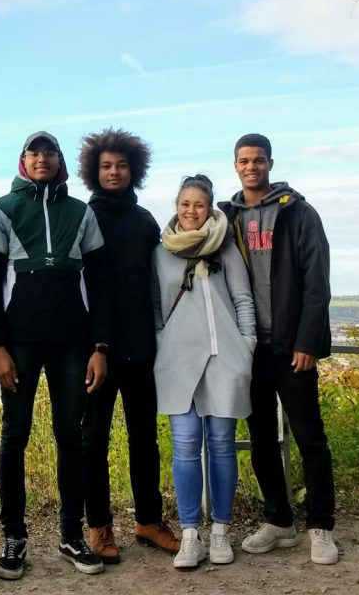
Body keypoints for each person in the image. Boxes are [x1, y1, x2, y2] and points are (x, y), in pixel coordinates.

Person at [0, 131, 110, 580]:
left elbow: (100, 285)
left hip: (73, 344)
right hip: (19, 344)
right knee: (14, 436)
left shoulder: (82, 212)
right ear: (22, 160)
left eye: (49, 152)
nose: (42, 158)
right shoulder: (1, 210)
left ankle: (71, 534)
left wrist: (99, 347)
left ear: (59, 161)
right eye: (34, 152)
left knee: (70, 436)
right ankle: (14, 537)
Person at [219, 133, 337, 565]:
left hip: (291, 348)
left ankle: (321, 526)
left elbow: (317, 282)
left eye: (259, 160)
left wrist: (308, 341)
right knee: (263, 439)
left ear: (270, 163)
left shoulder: (299, 213)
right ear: (235, 165)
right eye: (244, 160)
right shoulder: (225, 217)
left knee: (310, 439)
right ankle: (279, 521)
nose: (252, 167)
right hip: (249, 349)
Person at [77, 129, 179, 562]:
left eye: (120, 165)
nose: (114, 171)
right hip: (94, 350)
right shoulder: (81, 218)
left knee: (144, 440)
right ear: (93, 172)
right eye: (106, 166)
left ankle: (148, 521)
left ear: (133, 169)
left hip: (140, 347)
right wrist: (90, 344)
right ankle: (99, 527)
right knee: (93, 441)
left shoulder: (145, 222)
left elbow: (158, 284)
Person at [153, 175, 256, 569]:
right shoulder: (160, 251)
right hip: (178, 362)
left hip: (223, 358)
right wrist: (163, 344)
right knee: (184, 445)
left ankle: (221, 531)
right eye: (185, 204)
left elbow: (243, 300)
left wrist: (245, 347)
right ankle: (190, 535)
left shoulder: (225, 246)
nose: (191, 211)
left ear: (210, 207)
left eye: (199, 204)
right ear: (176, 206)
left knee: (220, 444)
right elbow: (155, 308)